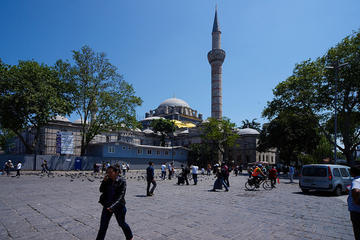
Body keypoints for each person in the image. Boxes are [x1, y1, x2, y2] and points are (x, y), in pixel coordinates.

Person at [96, 166, 133, 240]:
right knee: (103, 226)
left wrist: (112, 207)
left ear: (116, 172)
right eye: (107, 172)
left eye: (110, 172)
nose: (108, 174)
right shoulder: (108, 180)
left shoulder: (122, 181)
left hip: (118, 206)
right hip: (107, 205)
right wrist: (104, 181)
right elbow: (101, 190)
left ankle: (129, 236)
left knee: (121, 223)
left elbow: (121, 196)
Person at [348, 165, 360, 240]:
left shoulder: (355, 181)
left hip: (356, 212)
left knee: (357, 232)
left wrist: (356, 200)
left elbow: (355, 191)